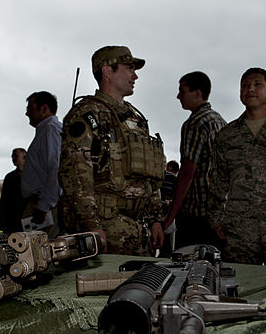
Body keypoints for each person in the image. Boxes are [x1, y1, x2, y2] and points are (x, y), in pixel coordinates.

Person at [59, 45, 165, 255]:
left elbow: (149, 174)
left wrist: (156, 220)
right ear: (107, 71)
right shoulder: (87, 114)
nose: (135, 76)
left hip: (139, 232)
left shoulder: (136, 118)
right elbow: (76, 176)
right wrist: (92, 227)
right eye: (129, 68)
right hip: (107, 232)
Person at [209, 68, 266, 264]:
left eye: (257, 84)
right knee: (239, 284)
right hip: (240, 229)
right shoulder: (227, 136)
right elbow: (218, 180)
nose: (250, 89)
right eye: (245, 85)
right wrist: (216, 219)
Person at [163, 71, 226, 248]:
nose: (178, 96)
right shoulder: (219, 121)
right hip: (217, 213)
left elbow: (187, 173)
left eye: (182, 91)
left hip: (196, 216)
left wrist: (170, 217)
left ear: (197, 93)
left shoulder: (194, 123)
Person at [22, 91, 62, 237]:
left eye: (30, 108)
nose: (26, 113)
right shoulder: (45, 131)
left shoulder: (51, 130)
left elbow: (56, 169)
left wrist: (43, 206)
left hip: (45, 208)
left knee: (44, 253)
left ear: (44, 109)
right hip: (40, 205)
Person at [0, 148, 27, 233]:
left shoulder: (32, 176)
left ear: (24, 157)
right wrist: (1, 218)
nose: (13, 159)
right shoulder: (10, 177)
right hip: (12, 219)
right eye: (12, 156)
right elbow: (4, 199)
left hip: (26, 217)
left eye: (16, 156)